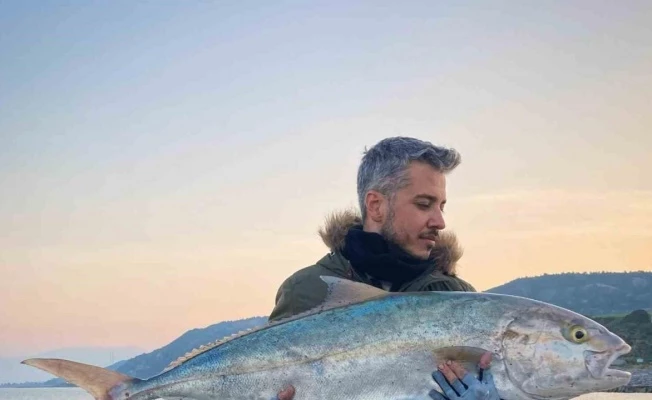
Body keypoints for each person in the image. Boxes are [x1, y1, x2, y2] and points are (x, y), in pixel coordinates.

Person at [269, 137, 501, 400]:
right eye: (424, 204)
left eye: (441, 206)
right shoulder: (307, 290)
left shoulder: (459, 298)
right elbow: (262, 379)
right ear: (376, 206)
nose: (440, 221)